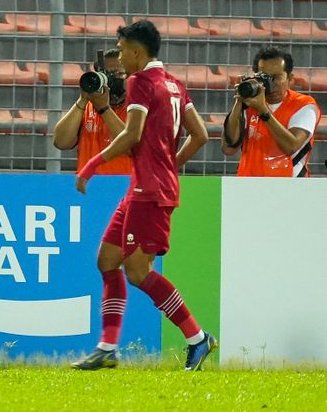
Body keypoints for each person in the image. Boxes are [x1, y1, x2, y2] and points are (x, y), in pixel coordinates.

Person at [71, 20, 215, 371]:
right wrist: (168, 164)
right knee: (107, 259)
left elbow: (132, 135)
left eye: (121, 50)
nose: (118, 58)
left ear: (136, 51)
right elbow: (200, 135)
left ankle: (198, 338)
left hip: (148, 191)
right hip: (145, 186)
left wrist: (92, 163)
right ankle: (107, 348)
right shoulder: (175, 84)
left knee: (138, 271)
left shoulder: (141, 82)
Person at [221, 46, 321, 177]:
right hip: (247, 185)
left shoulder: (305, 105)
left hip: (288, 186)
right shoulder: (250, 103)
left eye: (276, 77)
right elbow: (228, 148)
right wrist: (239, 102)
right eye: (265, 77)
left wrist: (263, 110)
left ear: (290, 78)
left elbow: (291, 146)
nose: (271, 83)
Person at [53, 49, 132, 175]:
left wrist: (105, 109)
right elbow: (61, 142)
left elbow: (132, 147)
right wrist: (82, 100)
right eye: (108, 73)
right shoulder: (89, 105)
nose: (112, 78)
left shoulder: (138, 108)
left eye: (118, 73)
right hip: (88, 187)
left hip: (123, 186)